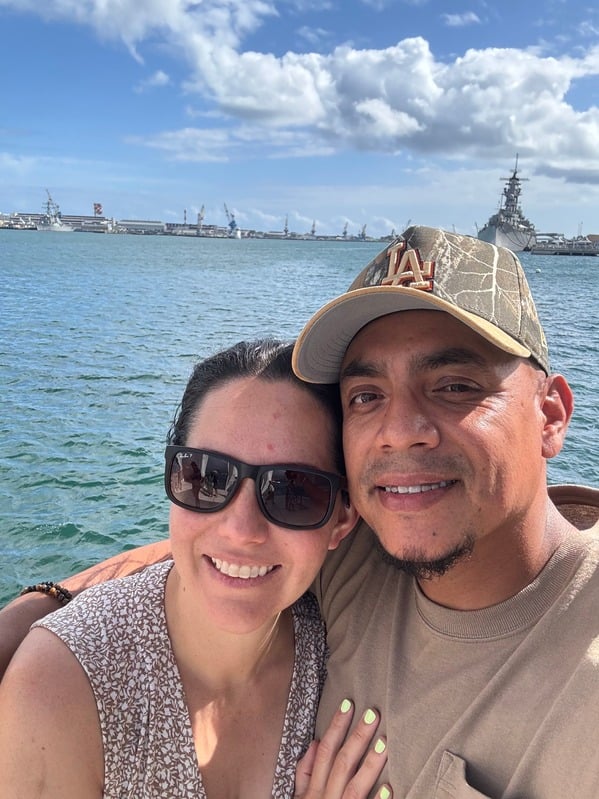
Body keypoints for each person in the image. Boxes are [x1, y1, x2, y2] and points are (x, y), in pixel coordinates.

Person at [2, 227, 599, 797]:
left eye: (455, 386)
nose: (399, 431)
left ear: (550, 415)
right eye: (367, 396)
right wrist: (39, 617)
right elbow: (219, 549)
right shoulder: (359, 558)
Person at [0, 339, 392, 799]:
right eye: (206, 476)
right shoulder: (60, 685)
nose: (241, 530)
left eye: (293, 491)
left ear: (343, 518)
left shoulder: (333, 648)